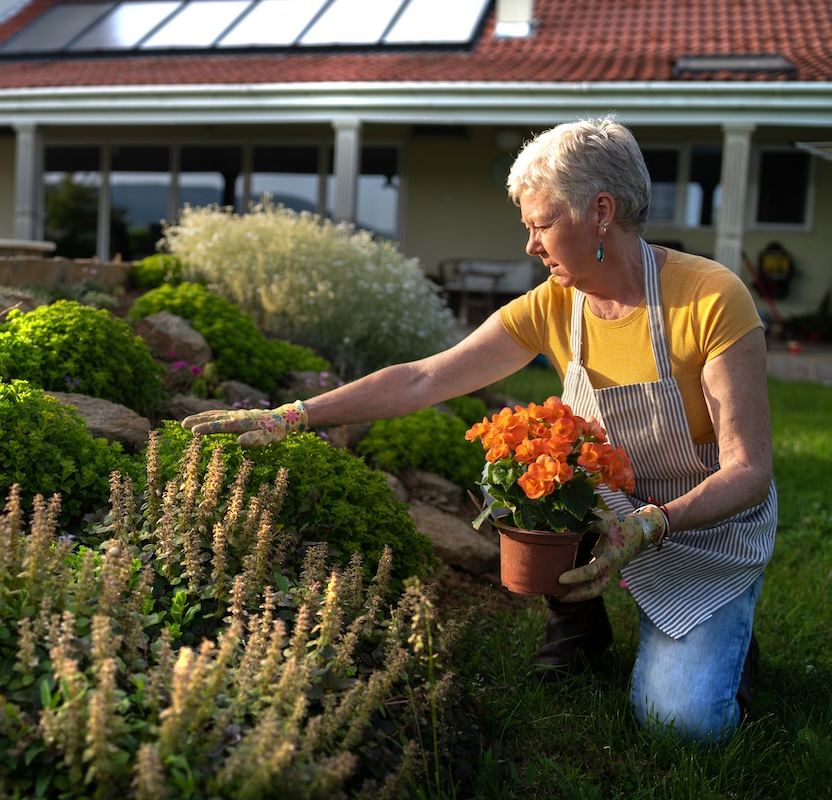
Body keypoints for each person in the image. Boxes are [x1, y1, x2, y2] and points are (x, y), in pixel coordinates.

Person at [182, 116, 776, 746]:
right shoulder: (554, 303)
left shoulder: (711, 299)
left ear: (600, 211)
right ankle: (577, 619)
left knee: (680, 727)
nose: (530, 246)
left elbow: (749, 470)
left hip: (704, 527)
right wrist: (294, 416)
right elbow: (422, 379)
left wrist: (652, 523)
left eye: (541, 224)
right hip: (614, 508)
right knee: (524, 458)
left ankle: (726, 633)